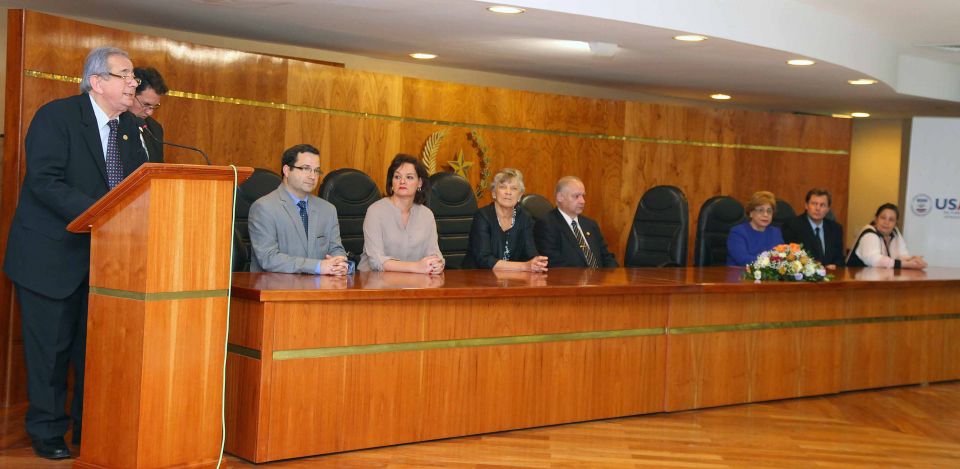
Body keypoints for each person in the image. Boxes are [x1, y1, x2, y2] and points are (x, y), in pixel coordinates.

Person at [2, 46, 149, 459]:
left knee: (94, 353)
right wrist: (104, 213)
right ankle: (47, 433)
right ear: (96, 81)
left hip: (107, 264)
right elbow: (44, 181)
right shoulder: (57, 117)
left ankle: (91, 428)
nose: (133, 83)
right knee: (49, 354)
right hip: (49, 259)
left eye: (134, 76)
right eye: (125, 75)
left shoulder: (134, 130)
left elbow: (141, 188)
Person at [248, 144, 349, 274]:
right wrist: (318, 266)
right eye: (306, 169)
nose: (313, 176)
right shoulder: (264, 208)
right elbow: (268, 258)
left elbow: (336, 249)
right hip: (276, 285)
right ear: (287, 170)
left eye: (316, 170)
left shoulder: (328, 210)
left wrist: (339, 263)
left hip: (321, 285)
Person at [359, 154, 444, 274]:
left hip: (415, 281)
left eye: (409, 177)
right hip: (375, 280)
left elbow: (434, 254)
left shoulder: (427, 215)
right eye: (397, 177)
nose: (402, 181)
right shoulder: (375, 211)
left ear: (419, 183)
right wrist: (416, 267)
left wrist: (437, 264)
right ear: (392, 182)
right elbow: (376, 261)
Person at [464, 168, 548, 272]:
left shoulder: (524, 217)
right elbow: (484, 260)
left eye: (514, 188)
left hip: (513, 277)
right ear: (494, 193)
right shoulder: (483, 216)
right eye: (503, 187)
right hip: (478, 276)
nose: (508, 192)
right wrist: (524, 266)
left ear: (519, 196)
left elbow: (530, 253)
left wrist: (536, 263)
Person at [534, 176, 618, 268]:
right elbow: (553, 263)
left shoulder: (590, 224)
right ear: (560, 197)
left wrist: (614, 273)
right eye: (576, 196)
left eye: (583, 196)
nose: (582, 201)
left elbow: (606, 256)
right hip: (570, 276)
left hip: (599, 276)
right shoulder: (546, 225)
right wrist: (589, 275)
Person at [847, 203, 926, 269]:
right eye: (883, 218)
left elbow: (902, 255)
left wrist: (912, 259)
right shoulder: (869, 234)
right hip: (855, 280)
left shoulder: (895, 233)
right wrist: (906, 264)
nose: (886, 222)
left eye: (891, 220)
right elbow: (875, 260)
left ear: (895, 223)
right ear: (876, 219)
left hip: (879, 278)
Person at [781, 188, 845, 269]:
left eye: (822, 205)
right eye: (814, 204)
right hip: (804, 274)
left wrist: (835, 265)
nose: (818, 208)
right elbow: (791, 257)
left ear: (828, 209)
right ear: (806, 206)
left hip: (831, 274)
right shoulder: (792, 226)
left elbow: (839, 258)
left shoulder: (836, 228)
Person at [727, 191, 785, 266]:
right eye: (761, 210)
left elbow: (782, 256)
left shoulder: (775, 232)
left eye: (769, 211)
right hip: (741, 272)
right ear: (751, 213)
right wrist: (770, 262)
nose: (765, 215)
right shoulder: (737, 232)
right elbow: (742, 259)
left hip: (769, 272)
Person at [127, 67, 168, 162]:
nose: (150, 112)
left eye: (154, 106)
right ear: (130, 94)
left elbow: (158, 166)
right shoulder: (113, 125)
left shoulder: (155, 129)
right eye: (146, 105)